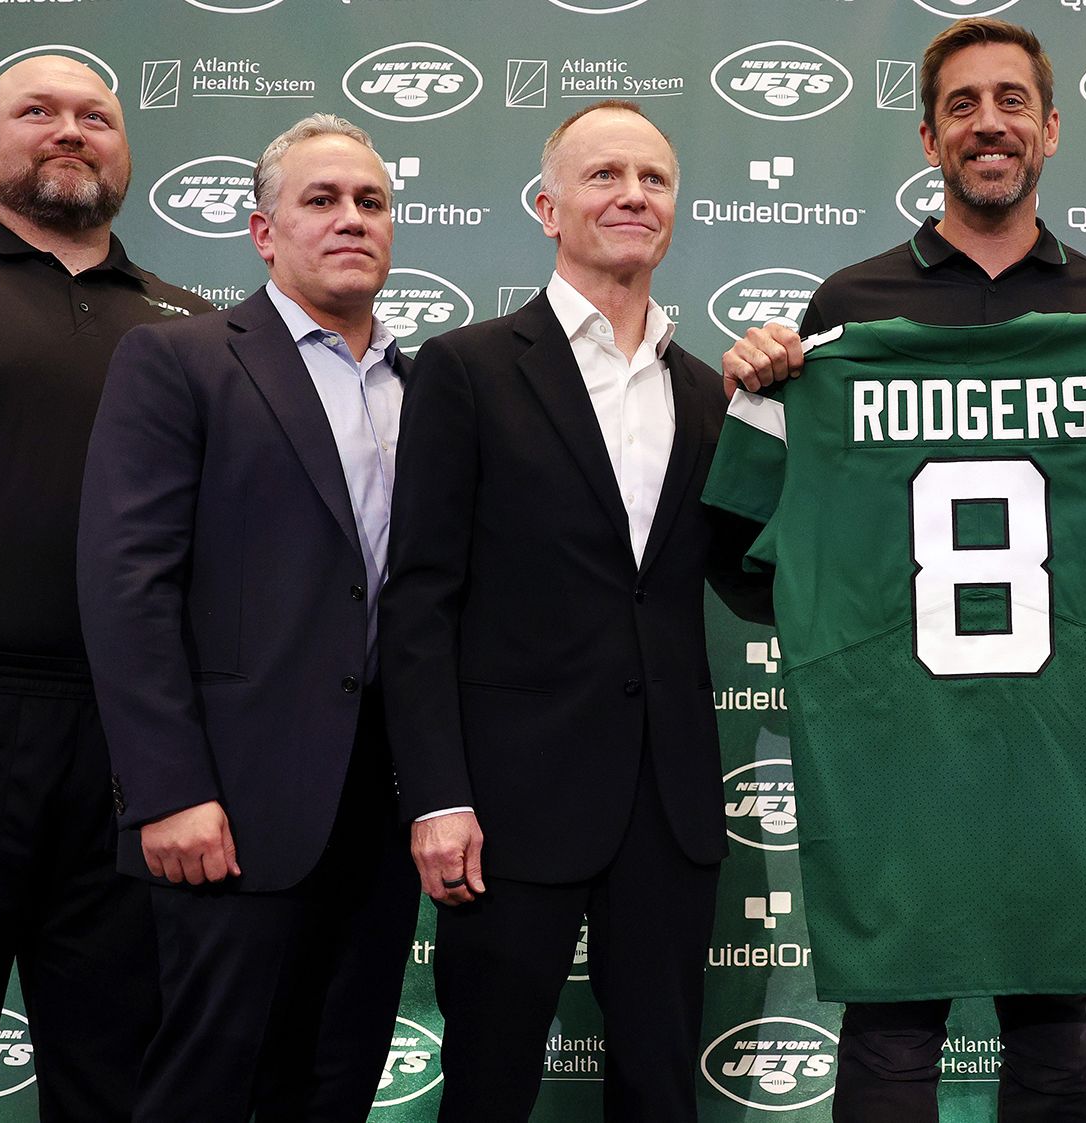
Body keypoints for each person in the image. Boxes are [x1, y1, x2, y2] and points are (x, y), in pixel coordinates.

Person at [720, 19, 1086, 1123]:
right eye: (962, 105)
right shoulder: (844, 314)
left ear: (1051, 129)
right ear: (928, 137)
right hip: (898, 756)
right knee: (890, 1040)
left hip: (1071, 755)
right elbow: (744, 548)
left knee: (1059, 1044)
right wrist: (762, 391)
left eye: (1011, 100)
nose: (988, 123)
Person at [380, 100, 766, 1122]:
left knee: (657, 1089)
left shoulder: (710, 394)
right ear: (547, 207)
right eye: (603, 176)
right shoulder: (464, 370)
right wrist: (436, 794)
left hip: (669, 803)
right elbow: (419, 598)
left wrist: (795, 430)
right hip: (506, 804)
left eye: (652, 179)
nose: (632, 195)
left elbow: (755, 579)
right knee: (488, 1087)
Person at [0, 55, 212, 1121]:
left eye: (96, 116)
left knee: (116, 1070)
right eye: (38, 112)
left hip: (127, 746)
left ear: (126, 150)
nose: (69, 131)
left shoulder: (195, 324)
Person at [77, 113, 415, 1121]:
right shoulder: (178, 360)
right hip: (229, 806)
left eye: (370, 201)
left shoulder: (430, 385)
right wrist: (168, 787)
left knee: (337, 1081)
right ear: (264, 232)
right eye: (321, 200)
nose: (350, 219)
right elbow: (126, 584)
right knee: (208, 1087)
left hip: (384, 808)